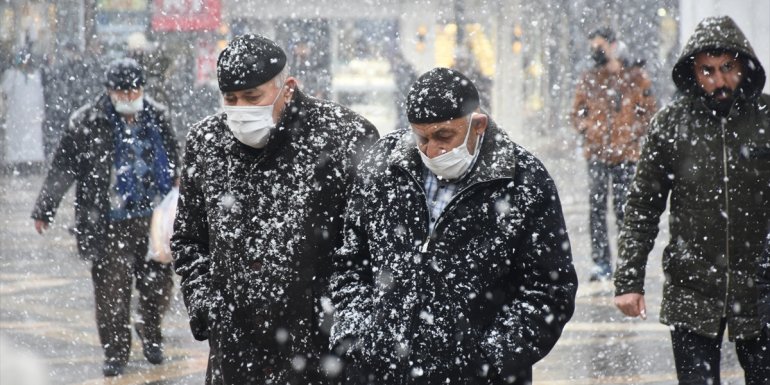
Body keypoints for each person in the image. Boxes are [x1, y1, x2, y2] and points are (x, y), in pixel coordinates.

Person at [330, 67, 578, 385]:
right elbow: (348, 261)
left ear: (478, 125)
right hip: (382, 372)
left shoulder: (523, 180)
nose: (432, 150)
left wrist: (491, 358)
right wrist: (357, 337)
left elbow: (549, 289)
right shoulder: (383, 165)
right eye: (421, 137)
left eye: (444, 136)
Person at [171, 34, 378, 385]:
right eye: (230, 98)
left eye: (253, 97)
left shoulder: (345, 137)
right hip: (236, 351)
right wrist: (207, 306)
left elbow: (370, 246)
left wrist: (347, 323)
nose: (240, 109)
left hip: (320, 349)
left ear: (288, 88)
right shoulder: (206, 142)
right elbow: (189, 239)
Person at [613, 16, 770, 385]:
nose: (719, 80)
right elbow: (642, 204)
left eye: (727, 68)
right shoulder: (671, 124)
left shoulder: (766, 118)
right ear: (693, 73)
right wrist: (628, 280)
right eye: (708, 71)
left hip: (761, 287)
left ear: (743, 65)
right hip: (691, 287)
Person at [31, 58, 179, 377]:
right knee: (111, 291)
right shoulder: (87, 121)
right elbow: (61, 168)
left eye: (134, 90)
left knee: (158, 285)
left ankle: (151, 332)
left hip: (154, 218)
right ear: (109, 91)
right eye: (121, 91)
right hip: (108, 221)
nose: (129, 96)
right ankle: (115, 351)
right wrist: (45, 209)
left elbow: (175, 161)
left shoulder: (157, 116)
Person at [570, 27, 657, 281]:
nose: (595, 52)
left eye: (599, 46)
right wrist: (589, 129)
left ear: (613, 45)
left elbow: (650, 111)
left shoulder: (635, 77)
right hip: (596, 154)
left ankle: (625, 261)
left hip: (626, 155)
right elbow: (576, 114)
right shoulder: (589, 79)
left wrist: (630, 133)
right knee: (596, 209)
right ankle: (601, 263)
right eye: (592, 47)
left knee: (624, 209)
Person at [1, 51, 46, 171]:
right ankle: (17, 164)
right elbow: (4, 92)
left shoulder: (35, 75)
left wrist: (40, 111)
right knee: (17, 140)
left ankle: (30, 163)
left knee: (31, 141)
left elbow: (39, 95)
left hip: (31, 113)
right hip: (17, 113)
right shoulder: (12, 75)